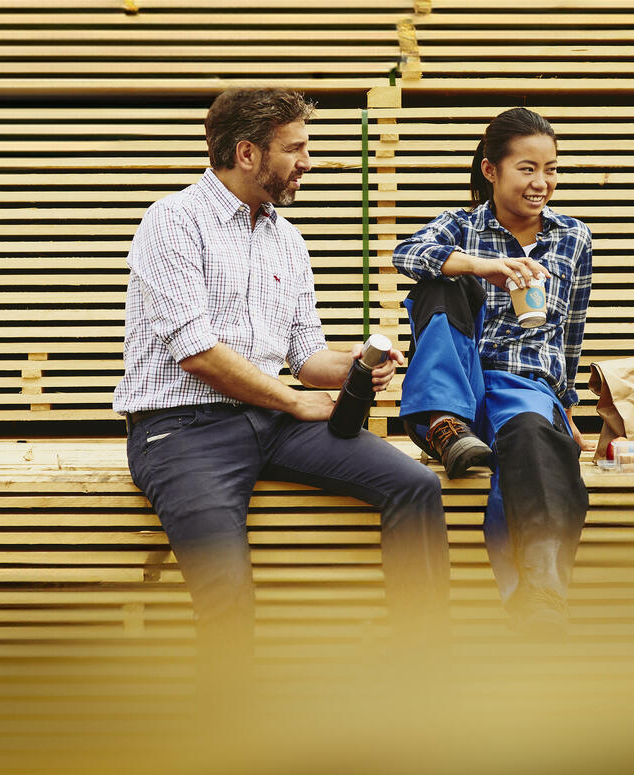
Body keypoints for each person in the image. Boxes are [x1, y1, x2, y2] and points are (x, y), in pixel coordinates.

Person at [113, 87, 450, 691]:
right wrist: (295, 400)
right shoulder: (173, 221)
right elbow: (194, 351)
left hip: (270, 421)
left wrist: (353, 364)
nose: (308, 161)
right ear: (247, 152)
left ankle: (423, 683)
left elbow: (301, 354)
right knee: (227, 596)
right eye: (295, 148)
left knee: (415, 486)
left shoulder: (285, 238)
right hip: (181, 430)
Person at [392, 107, 593, 637]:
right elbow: (406, 255)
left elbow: (569, 329)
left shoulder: (572, 238)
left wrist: (565, 409)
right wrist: (482, 266)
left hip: (523, 384)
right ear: (490, 171)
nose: (542, 182)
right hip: (457, 376)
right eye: (527, 168)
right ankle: (444, 423)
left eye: (551, 169)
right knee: (441, 281)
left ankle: (541, 595)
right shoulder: (460, 225)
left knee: (533, 434)